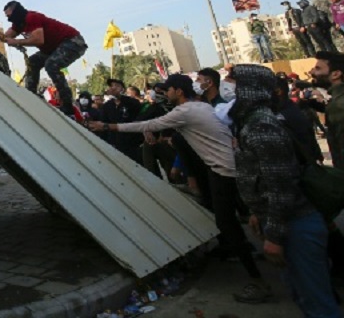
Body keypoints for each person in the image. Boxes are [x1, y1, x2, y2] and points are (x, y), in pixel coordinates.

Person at [88, 74, 270, 303]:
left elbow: (148, 124)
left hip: (226, 171)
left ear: (179, 91)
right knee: (230, 217)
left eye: (168, 90)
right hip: (224, 169)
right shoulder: (199, 106)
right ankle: (245, 250)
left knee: (229, 221)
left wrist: (106, 126)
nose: (165, 93)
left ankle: (258, 278)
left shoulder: (185, 112)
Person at [230, 64, 338, 316]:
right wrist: (258, 212)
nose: (230, 88)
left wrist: (275, 236)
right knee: (303, 295)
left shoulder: (262, 126)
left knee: (317, 303)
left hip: (294, 225)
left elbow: (281, 185)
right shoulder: (254, 121)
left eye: (234, 83)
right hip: (284, 222)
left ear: (250, 89)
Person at [0, 1, 87, 117]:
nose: (9, 20)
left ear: (16, 13)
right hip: (53, 48)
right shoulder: (18, 25)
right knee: (32, 62)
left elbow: (39, 40)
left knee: (51, 65)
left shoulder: (32, 18)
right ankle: (31, 94)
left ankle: (67, 105)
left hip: (73, 42)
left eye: (9, 16)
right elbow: (4, 37)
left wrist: (17, 42)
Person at [311, 51, 344, 168]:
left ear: (336, 74)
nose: (313, 72)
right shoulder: (336, 100)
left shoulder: (338, 106)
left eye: (318, 68)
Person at [100, 79, 142, 163]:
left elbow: (139, 119)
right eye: (112, 86)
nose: (114, 88)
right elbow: (104, 123)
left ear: (122, 89)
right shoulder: (107, 106)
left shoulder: (133, 102)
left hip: (132, 143)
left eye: (117, 85)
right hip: (114, 143)